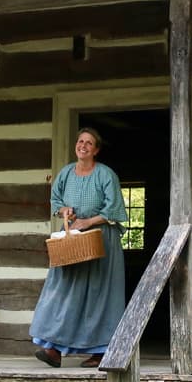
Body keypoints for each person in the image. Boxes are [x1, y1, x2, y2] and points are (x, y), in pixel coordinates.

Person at [30, 127, 128, 368]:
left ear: (96, 150)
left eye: (89, 143)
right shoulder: (65, 174)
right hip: (73, 240)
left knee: (99, 295)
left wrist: (88, 221)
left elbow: (114, 208)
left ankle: (102, 350)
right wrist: (64, 211)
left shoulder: (106, 175)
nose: (83, 145)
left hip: (101, 240)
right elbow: (55, 201)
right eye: (80, 141)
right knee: (62, 290)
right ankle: (52, 348)